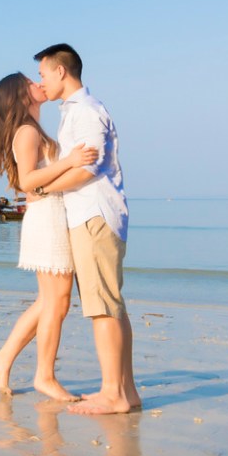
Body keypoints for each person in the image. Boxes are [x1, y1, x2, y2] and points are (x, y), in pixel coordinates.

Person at [32, 43, 140, 415]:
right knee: (111, 304)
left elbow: (87, 169)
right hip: (91, 215)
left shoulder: (87, 112)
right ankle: (126, 391)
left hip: (94, 214)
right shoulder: (73, 113)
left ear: (61, 71)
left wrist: (42, 187)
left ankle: (114, 394)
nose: (41, 82)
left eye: (44, 74)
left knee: (102, 307)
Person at [0, 72, 99, 400]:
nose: (39, 84)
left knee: (49, 301)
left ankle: (4, 357)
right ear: (22, 96)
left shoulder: (33, 129)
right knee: (58, 301)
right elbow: (26, 180)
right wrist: (71, 161)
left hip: (49, 215)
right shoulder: (25, 131)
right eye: (31, 83)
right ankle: (44, 377)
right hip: (47, 216)